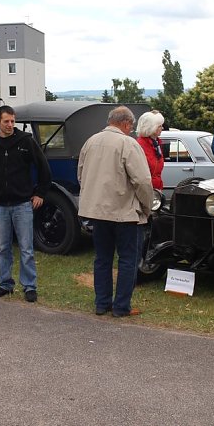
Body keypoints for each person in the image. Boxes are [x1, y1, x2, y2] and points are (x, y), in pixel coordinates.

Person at [78, 107, 153, 317]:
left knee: (102, 258)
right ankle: (121, 306)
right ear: (127, 124)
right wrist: (147, 207)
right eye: (131, 126)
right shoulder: (128, 144)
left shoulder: (90, 142)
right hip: (124, 212)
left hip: (98, 212)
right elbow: (142, 181)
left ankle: (101, 304)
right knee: (128, 259)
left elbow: (81, 174)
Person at [0, 105, 51, 303]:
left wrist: (40, 193)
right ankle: (5, 284)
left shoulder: (26, 142)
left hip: (22, 204)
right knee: (3, 248)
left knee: (26, 248)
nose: (9, 125)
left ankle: (29, 286)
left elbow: (43, 168)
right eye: (6, 121)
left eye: (12, 121)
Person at [135, 110, 165, 190]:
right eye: (159, 126)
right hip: (146, 189)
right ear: (152, 127)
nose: (162, 128)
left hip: (156, 187)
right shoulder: (140, 145)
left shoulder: (157, 143)